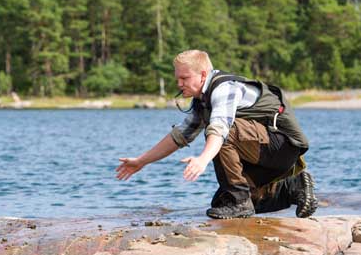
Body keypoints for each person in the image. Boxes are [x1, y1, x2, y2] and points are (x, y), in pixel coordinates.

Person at [116, 49, 317, 219]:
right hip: (263, 151)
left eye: (184, 78)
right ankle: (292, 188)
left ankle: (240, 201)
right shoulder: (202, 100)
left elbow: (221, 128)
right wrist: (141, 161)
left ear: (203, 75)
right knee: (221, 203)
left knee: (224, 141)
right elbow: (180, 136)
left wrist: (202, 160)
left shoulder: (224, 89)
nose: (179, 84)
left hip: (282, 147)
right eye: (177, 78)